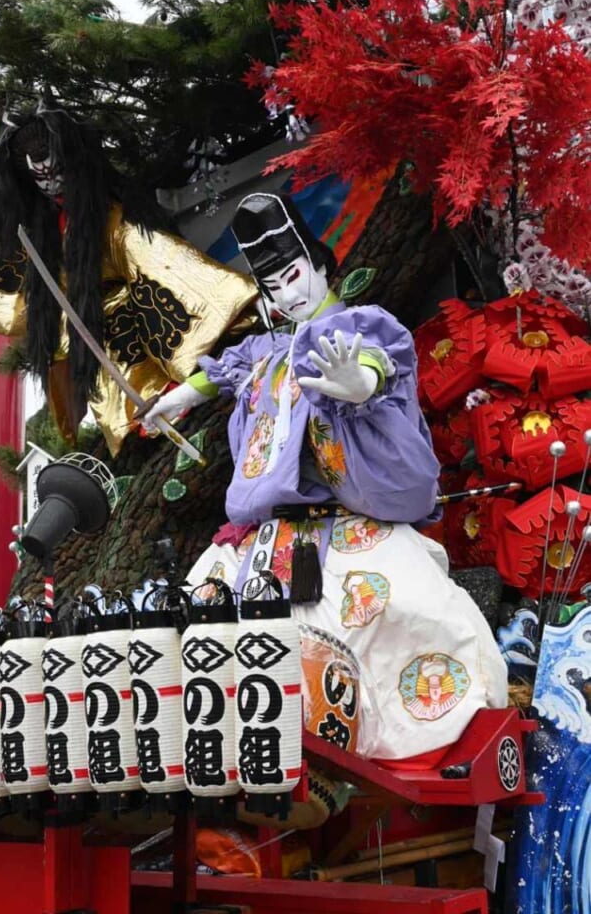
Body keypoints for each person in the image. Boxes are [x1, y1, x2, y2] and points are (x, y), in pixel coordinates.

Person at [141, 192, 508, 762]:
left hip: (350, 534)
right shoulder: (265, 352)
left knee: (410, 616)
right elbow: (225, 371)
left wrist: (361, 383)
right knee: (211, 643)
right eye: (273, 288)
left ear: (318, 264)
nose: (289, 295)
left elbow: (378, 361)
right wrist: (179, 397)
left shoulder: (358, 329)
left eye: (293, 276)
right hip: (263, 548)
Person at [0, 100, 257, 453]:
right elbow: (4, 202)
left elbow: (159, 258)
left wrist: (228, 297)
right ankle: (138, 439)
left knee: (153, 270)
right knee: (116, 403)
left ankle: (189, 380)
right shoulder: (39, 224)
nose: (51, 184)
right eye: (41, 179)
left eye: (56, 172)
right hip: (90, 328)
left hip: (133, 306)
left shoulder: (111, 216)